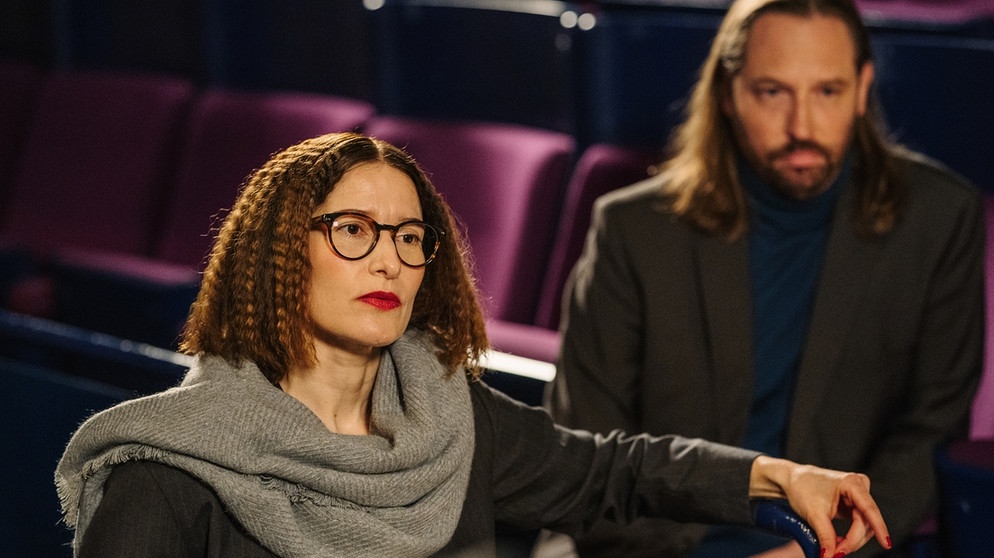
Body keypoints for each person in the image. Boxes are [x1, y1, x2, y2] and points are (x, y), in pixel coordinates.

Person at [56, 132, 890, 558]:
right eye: (353, 230)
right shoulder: (165, 474)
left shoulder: (449, 419)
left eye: (409, 237)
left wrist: (778, 475)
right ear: (278, 250)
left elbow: (612, 472)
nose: (389, 259)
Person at [543, 0, 984, 556]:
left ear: (862, 88)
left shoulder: (939, 219)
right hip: (645, 545)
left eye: (827, 91)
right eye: (773, 92)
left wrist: (815, 552)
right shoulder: (632, 229)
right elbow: (583, 453)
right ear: (729, 93)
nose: (802, 126)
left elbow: (930, 435)